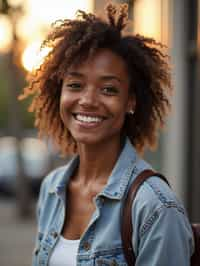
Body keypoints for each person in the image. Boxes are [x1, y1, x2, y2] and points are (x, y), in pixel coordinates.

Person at [19, 3, 194, 266]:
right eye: (75, 85)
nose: (88, 100)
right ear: (59, 93)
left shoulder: (155, 208)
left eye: (109, 89)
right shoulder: (52, 189)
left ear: (131, 102)